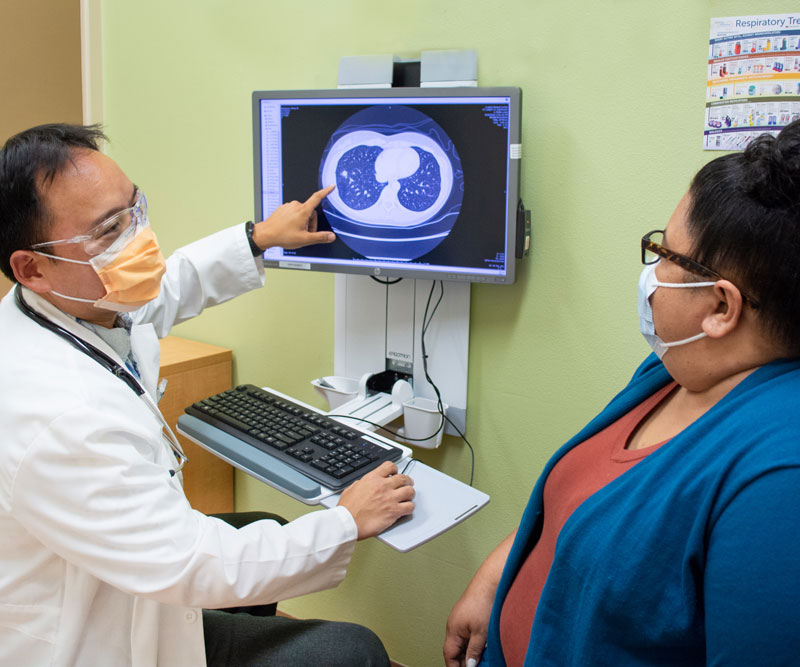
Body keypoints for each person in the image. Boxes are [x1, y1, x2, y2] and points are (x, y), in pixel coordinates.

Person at [0, 123, 415, 666]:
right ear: (33, 268)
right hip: (95, 640)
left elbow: (160, 296)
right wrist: (345, 523)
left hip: (121, 574)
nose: (138, 237)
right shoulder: (59, 415)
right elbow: (189, 562)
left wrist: (258, 238)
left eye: (135, 209)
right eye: (109, 230)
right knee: (352, 651)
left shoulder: (63, 307)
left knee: (268, 530)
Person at [444, 119, 800, 666]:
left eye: (666, 254)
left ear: (720, 306)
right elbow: (584, 500)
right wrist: (497, 577)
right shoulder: (675, 370)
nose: (652, 271)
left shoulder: (778, 483)